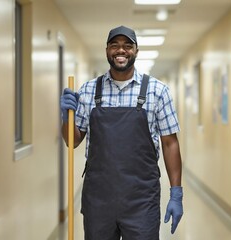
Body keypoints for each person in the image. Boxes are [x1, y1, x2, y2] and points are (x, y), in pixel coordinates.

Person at [60, 25, 183, 240]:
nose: (121, 50)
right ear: (107, 49)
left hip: (142, 199)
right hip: (98, 199)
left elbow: (170, 143)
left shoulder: (157, 91)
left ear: (136, 50)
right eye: (115, 45)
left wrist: (176, 193)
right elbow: (73, 141)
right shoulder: (88, 90)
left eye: (127, 46)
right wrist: (65, 118)